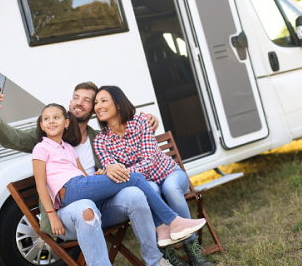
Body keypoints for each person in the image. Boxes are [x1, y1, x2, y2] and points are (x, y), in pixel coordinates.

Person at [0, 82, 173, 266]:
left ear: (94, 109)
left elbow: (126, 154)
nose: (78, 102)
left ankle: (155, 261)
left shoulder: (100, 138)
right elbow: (11, 138)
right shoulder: (51, 136)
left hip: (102, 204)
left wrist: (146, 120)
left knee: (135, 195)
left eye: (87, 100)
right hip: (68, 213)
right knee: (85, 207)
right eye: (75, 97)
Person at [33, 103, 206, 247]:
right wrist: (51, 215)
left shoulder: (68, 148)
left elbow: (84, 177)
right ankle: (173, 222)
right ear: (41, 125)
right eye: (46, 119)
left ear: (67, 123)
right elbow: (41, 184)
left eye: (56, 117)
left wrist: (99, 178)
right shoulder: (41, 148)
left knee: (132, 184)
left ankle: (166, 229)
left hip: (80, 186)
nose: (51, 122)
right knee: (136, 178)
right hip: (69, 190)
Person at [93, 86, 212, 266]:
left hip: (170, 173)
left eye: (103, 100)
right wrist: (113, 170)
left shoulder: (141, 121)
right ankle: (168, 253)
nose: (98, 106)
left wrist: (125, 172)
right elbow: (111, 169)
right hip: (147, 183)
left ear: (118, 104)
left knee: (170, 189)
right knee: (151, 191)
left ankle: (192, 248)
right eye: (96, 102)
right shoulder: (101, 141)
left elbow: (149, 162)